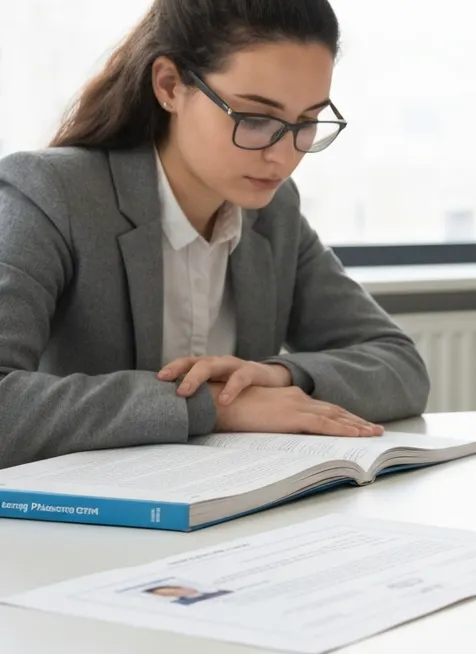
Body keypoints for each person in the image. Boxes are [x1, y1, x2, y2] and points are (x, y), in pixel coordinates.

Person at [0, 0, 430, 469]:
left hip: (229, 502)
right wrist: (215, 406)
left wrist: (275, 377)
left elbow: (399, 365)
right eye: (255, 119)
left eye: (306, 123)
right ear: (169, 86)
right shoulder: (50, 193)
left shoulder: (274, 213)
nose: (284, 157)